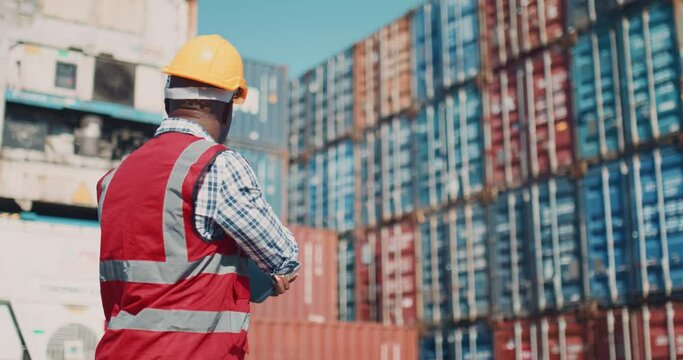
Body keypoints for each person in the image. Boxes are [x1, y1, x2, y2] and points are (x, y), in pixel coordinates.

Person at [94, 34, 300, 360]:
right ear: (227, 108)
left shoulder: (111, 181)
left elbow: (166, 265)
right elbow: (283, 256)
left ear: (167, 104)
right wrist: (260, 274)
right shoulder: (215, 165)